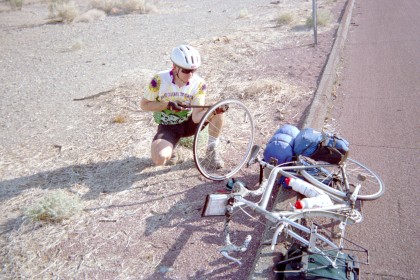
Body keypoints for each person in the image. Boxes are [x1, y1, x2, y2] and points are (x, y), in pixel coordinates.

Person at [140, 44, 226, 167]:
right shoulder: (159, 80)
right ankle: (174, 150)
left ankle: (211, 152)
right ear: (175, 67)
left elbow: (196, 118)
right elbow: (144, 105)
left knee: (216, 108)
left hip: (189, 122)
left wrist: (213, 111)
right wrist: (167, 105)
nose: (190, 75)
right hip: (169, 126)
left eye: (193, 70)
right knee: (159, 159)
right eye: (186, 71)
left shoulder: (199, 84)